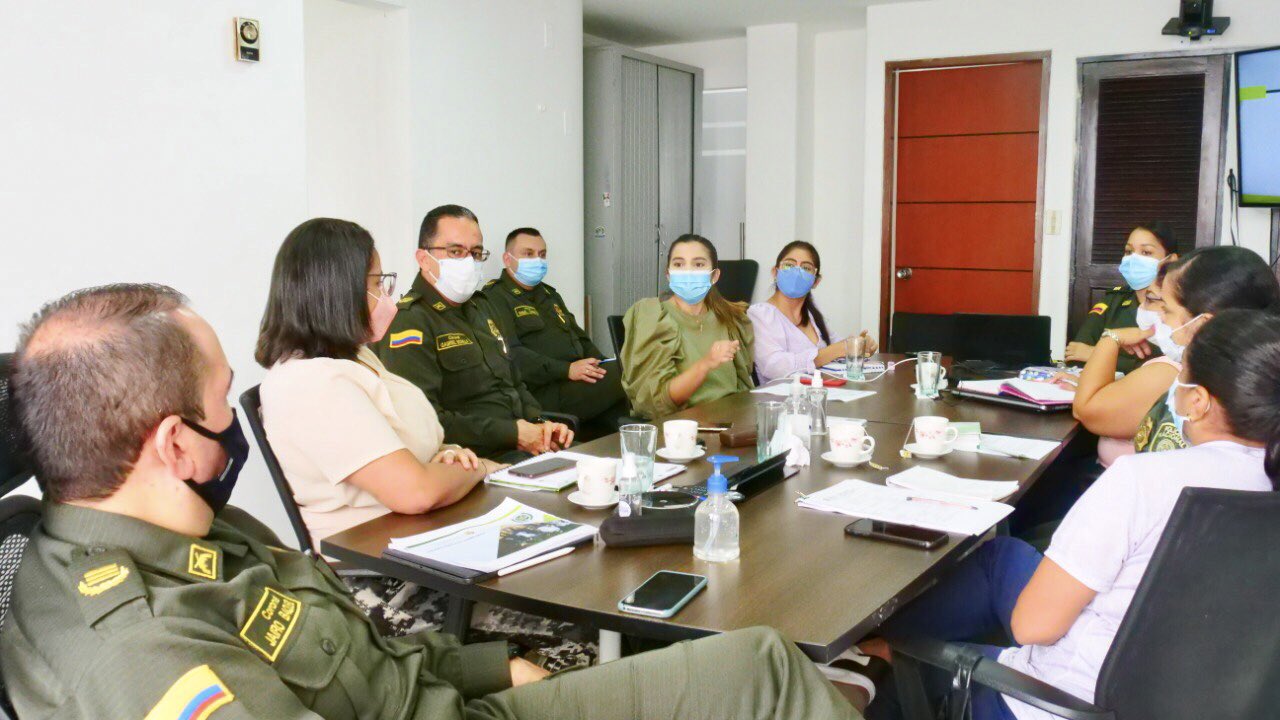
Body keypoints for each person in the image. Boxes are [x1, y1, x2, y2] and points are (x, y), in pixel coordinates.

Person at [0, 283, 862, 720]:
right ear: (174, 443)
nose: (238, 418)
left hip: (449, 696)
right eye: (225, 399)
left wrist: (492, 667)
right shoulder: (134, 648)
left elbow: (354, 649)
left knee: (765, 661)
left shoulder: (197, 527)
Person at [862, 308, 1280, 720]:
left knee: (900, 676)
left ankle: (874, 649)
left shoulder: (1144, 479)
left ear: (1199, 401)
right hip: (1195, 695)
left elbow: (1033, 628)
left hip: (1064, 703)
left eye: (1181, 374)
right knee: (1003, 559)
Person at [255, 218, 498, 545]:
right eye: (378, 283)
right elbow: (416, 492)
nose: (387, 297)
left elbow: (411, 445)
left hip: (425, 532)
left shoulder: (353, 356)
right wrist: (479, 467)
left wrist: (448, 457)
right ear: (338, 290)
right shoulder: (312, 384)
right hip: (378, 565)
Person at [378, 205, 572, 460]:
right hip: (472, 458)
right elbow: (426, 421)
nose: (468, 261)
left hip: (520, 445)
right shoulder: (410, 322)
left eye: (476, 252)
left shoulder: (482, 308)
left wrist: (539, 423)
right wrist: (513, 433)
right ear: (424, 258)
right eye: (456, 251)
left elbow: (514, 382)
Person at [1069, 246, 1280, 464]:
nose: (1159, 318)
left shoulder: (1183, 379)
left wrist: (1110, 338)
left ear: (1203, 325)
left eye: (1166, 310)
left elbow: (1089, 412)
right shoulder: (1257, 380)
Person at [480, 227, 629, 438]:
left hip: (575, 382)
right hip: (544, 392)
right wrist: (566, 369)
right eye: (528, 253)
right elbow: (512, 355)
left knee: (622, 385)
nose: (537, 260)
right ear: (507, 259)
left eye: (542, 255)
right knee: (628, 371)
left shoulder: (549, 294)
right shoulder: (494, 297)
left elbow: (579, 337)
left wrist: (600, 363)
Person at [620, 233, 754, 419]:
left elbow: (743, 389)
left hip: (732, 420)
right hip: (683, 428)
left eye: (698, 264)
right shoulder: (653, 316)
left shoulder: (730, 318)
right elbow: (655, 402)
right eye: (679, 264)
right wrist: (706, 363)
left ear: (714, 276)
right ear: (668, 274)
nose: (688, 272)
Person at [749, 240, 877, 385]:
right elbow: (774, 367)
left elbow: (838, 346)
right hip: (780, 401)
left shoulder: (811, 315)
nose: (796, 272)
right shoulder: (759, 314)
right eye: (789, 265)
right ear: (775, 272)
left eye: (806, 268)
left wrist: (858, 346)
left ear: (816, 281)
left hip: (820, 394)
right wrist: (836, 350)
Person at [1066, 223, 1177, 373]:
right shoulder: (1113, 301)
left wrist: (1095, 353)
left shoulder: (1181, 308)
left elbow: (1175, 367)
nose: (1134, 259)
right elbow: (1075, 354)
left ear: (1171, 260)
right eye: (1129, 251)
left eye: (1146, 252)